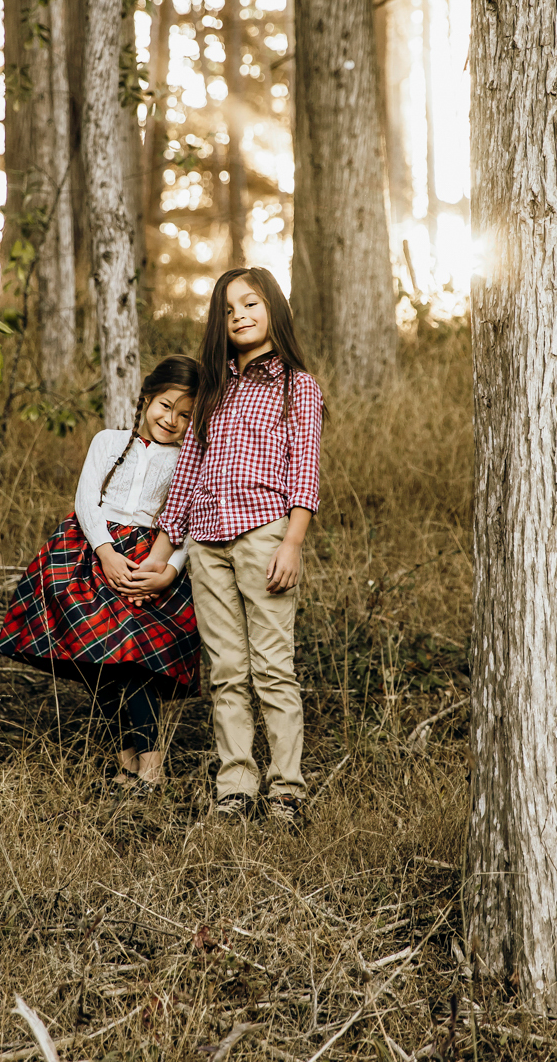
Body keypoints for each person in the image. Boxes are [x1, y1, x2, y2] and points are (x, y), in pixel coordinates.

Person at [141, 268, 322, 827]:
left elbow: (305, 472)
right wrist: (163, 550)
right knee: (225, 668)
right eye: (228, 308)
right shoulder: (212, 390)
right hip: (207, 545)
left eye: (251, 303)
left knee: (272, 666)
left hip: (264, 534)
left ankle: (286, 789)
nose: (239, 315)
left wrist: (292, 542)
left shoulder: (297, 385)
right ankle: (235, 785)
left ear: (274, 310)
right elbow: (190, 473)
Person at [0, 355, 205, 790]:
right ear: (147, 397)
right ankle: (127, 757)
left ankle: (150, 765)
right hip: (91, 553)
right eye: (166, 406)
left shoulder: (189, 460)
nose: (172, 420)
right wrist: (106, 552)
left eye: (186, 415)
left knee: (133, 655)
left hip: (149, 561)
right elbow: (86, 500)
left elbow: (185, 521)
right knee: (99, 658)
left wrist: (169, 570)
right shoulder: (108, 441)